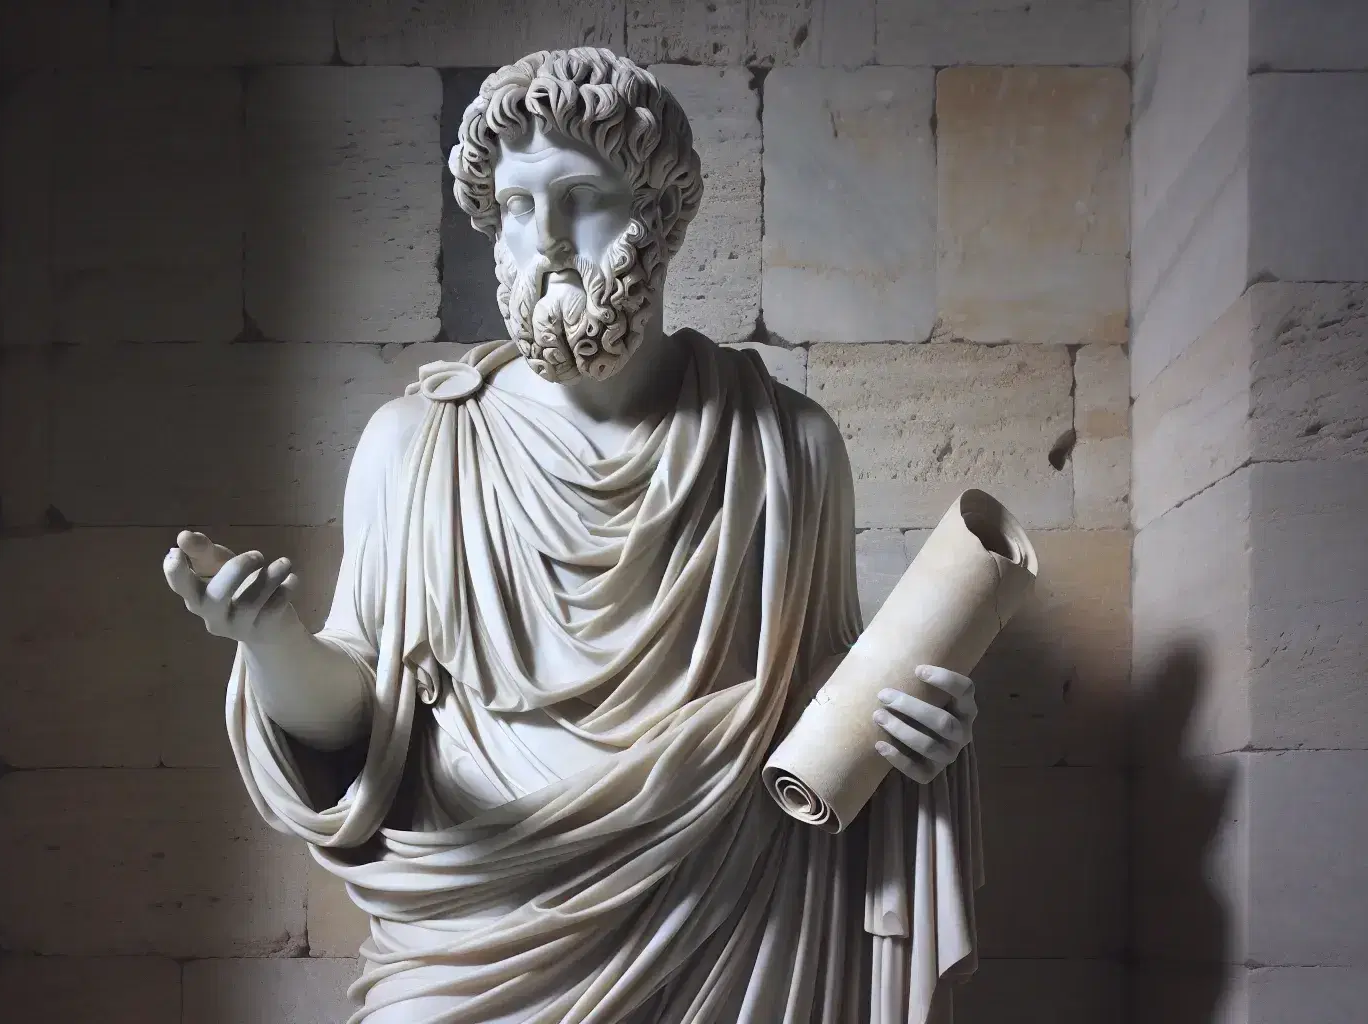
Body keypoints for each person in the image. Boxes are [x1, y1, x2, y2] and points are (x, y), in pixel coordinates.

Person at [162, 47, 981, 1024]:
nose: (544, 239)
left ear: (661, 215)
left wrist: (919, 739)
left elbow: (827, 721)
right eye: (514, 206)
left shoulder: (787, 447)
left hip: (724, 928)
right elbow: (354, 720)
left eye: (580, 197)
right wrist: (268, 638)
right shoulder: (415, 446)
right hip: (475, 935)